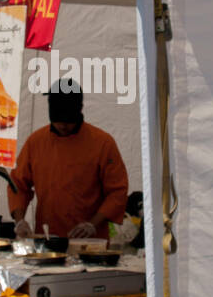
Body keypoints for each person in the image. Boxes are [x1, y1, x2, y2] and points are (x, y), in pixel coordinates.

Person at [8, 81, 129, 240]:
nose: (63, 126)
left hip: (90, 243)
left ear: (80, 110)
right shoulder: (36, 142)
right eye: (58, 121)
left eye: (68, 121)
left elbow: (117, 192)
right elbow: (18, 185)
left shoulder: (102, 143)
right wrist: (20, 221)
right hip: (47, 238)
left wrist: (92, 224)